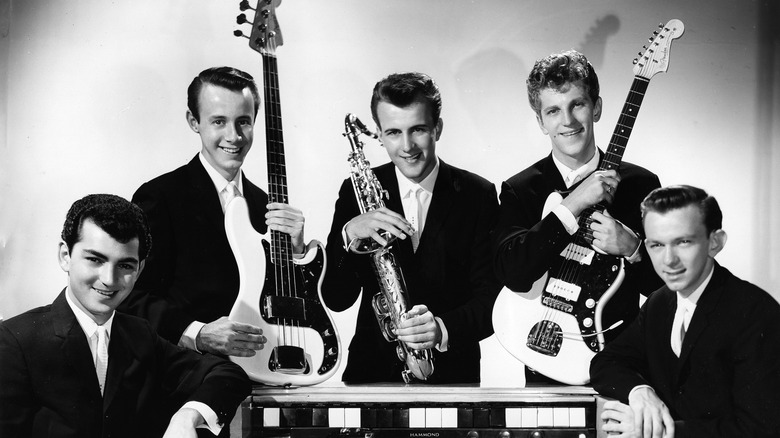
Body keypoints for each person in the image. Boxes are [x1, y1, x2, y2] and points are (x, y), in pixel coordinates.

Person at [0, 194, 251, 438]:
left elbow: (227, 374)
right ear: (65, 256)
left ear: (140, 269)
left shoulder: (140, 335)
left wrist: (187, 416)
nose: (109, 279)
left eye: (125, 265)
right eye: (95, 259)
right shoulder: (15, 341)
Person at [119, 66, 316, 357]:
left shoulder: (266, 205)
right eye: (219, 121)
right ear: (194, 121)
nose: (233, 136)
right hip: (184, 371)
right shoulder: (160, 196)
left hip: (259, 367)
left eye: (244, 122)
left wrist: (296, 252)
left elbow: (285, 306)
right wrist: (196, 333)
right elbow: (130, 296)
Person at [492, 50, 663, 382]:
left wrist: (634, 250)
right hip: (545, 353)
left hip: (621, 363)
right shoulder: (520, 189)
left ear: (596, 108)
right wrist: (573, 205)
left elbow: (664, 290)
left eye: (577, 105)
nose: (567, 121)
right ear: (541, 121)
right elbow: (512, 273)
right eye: (553, 111)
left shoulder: (641, 184)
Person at [321, 72, 502, 383]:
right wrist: (348, 234)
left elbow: (493, 300)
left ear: (437, 129)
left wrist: (443, 328)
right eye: (393, 132)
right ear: (378, 134)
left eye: (417, 129)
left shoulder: (478, 195)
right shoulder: (354, 192)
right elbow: (336, 298)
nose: (407, 146)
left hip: (451, 377)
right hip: (371, 374)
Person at [590, 185, 780, 437]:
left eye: (683, 242)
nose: (668, 260)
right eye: (656, 245)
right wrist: (640, 392)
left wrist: (658, 431)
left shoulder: (757, 313)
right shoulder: (660, 302)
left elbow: (761, 429)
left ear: (715, 242)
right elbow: (606, 361)